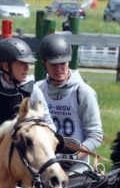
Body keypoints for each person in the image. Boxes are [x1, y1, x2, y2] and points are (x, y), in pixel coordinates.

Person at [0, 37, 54, 147]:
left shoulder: (33, 90)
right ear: (6, 66)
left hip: (16, 152)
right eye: (22, 63)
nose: (27, 68)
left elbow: (48, 121)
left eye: (28, 64)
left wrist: (51, 136)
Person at [36, 34, 103, 171]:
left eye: (63, 63)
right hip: (45, 167)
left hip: (76, 169)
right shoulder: (38, 90)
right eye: (54, 64)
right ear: (44, 63)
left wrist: (73, 158)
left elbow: (95, 136)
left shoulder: (83, 92)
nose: (59, 69)